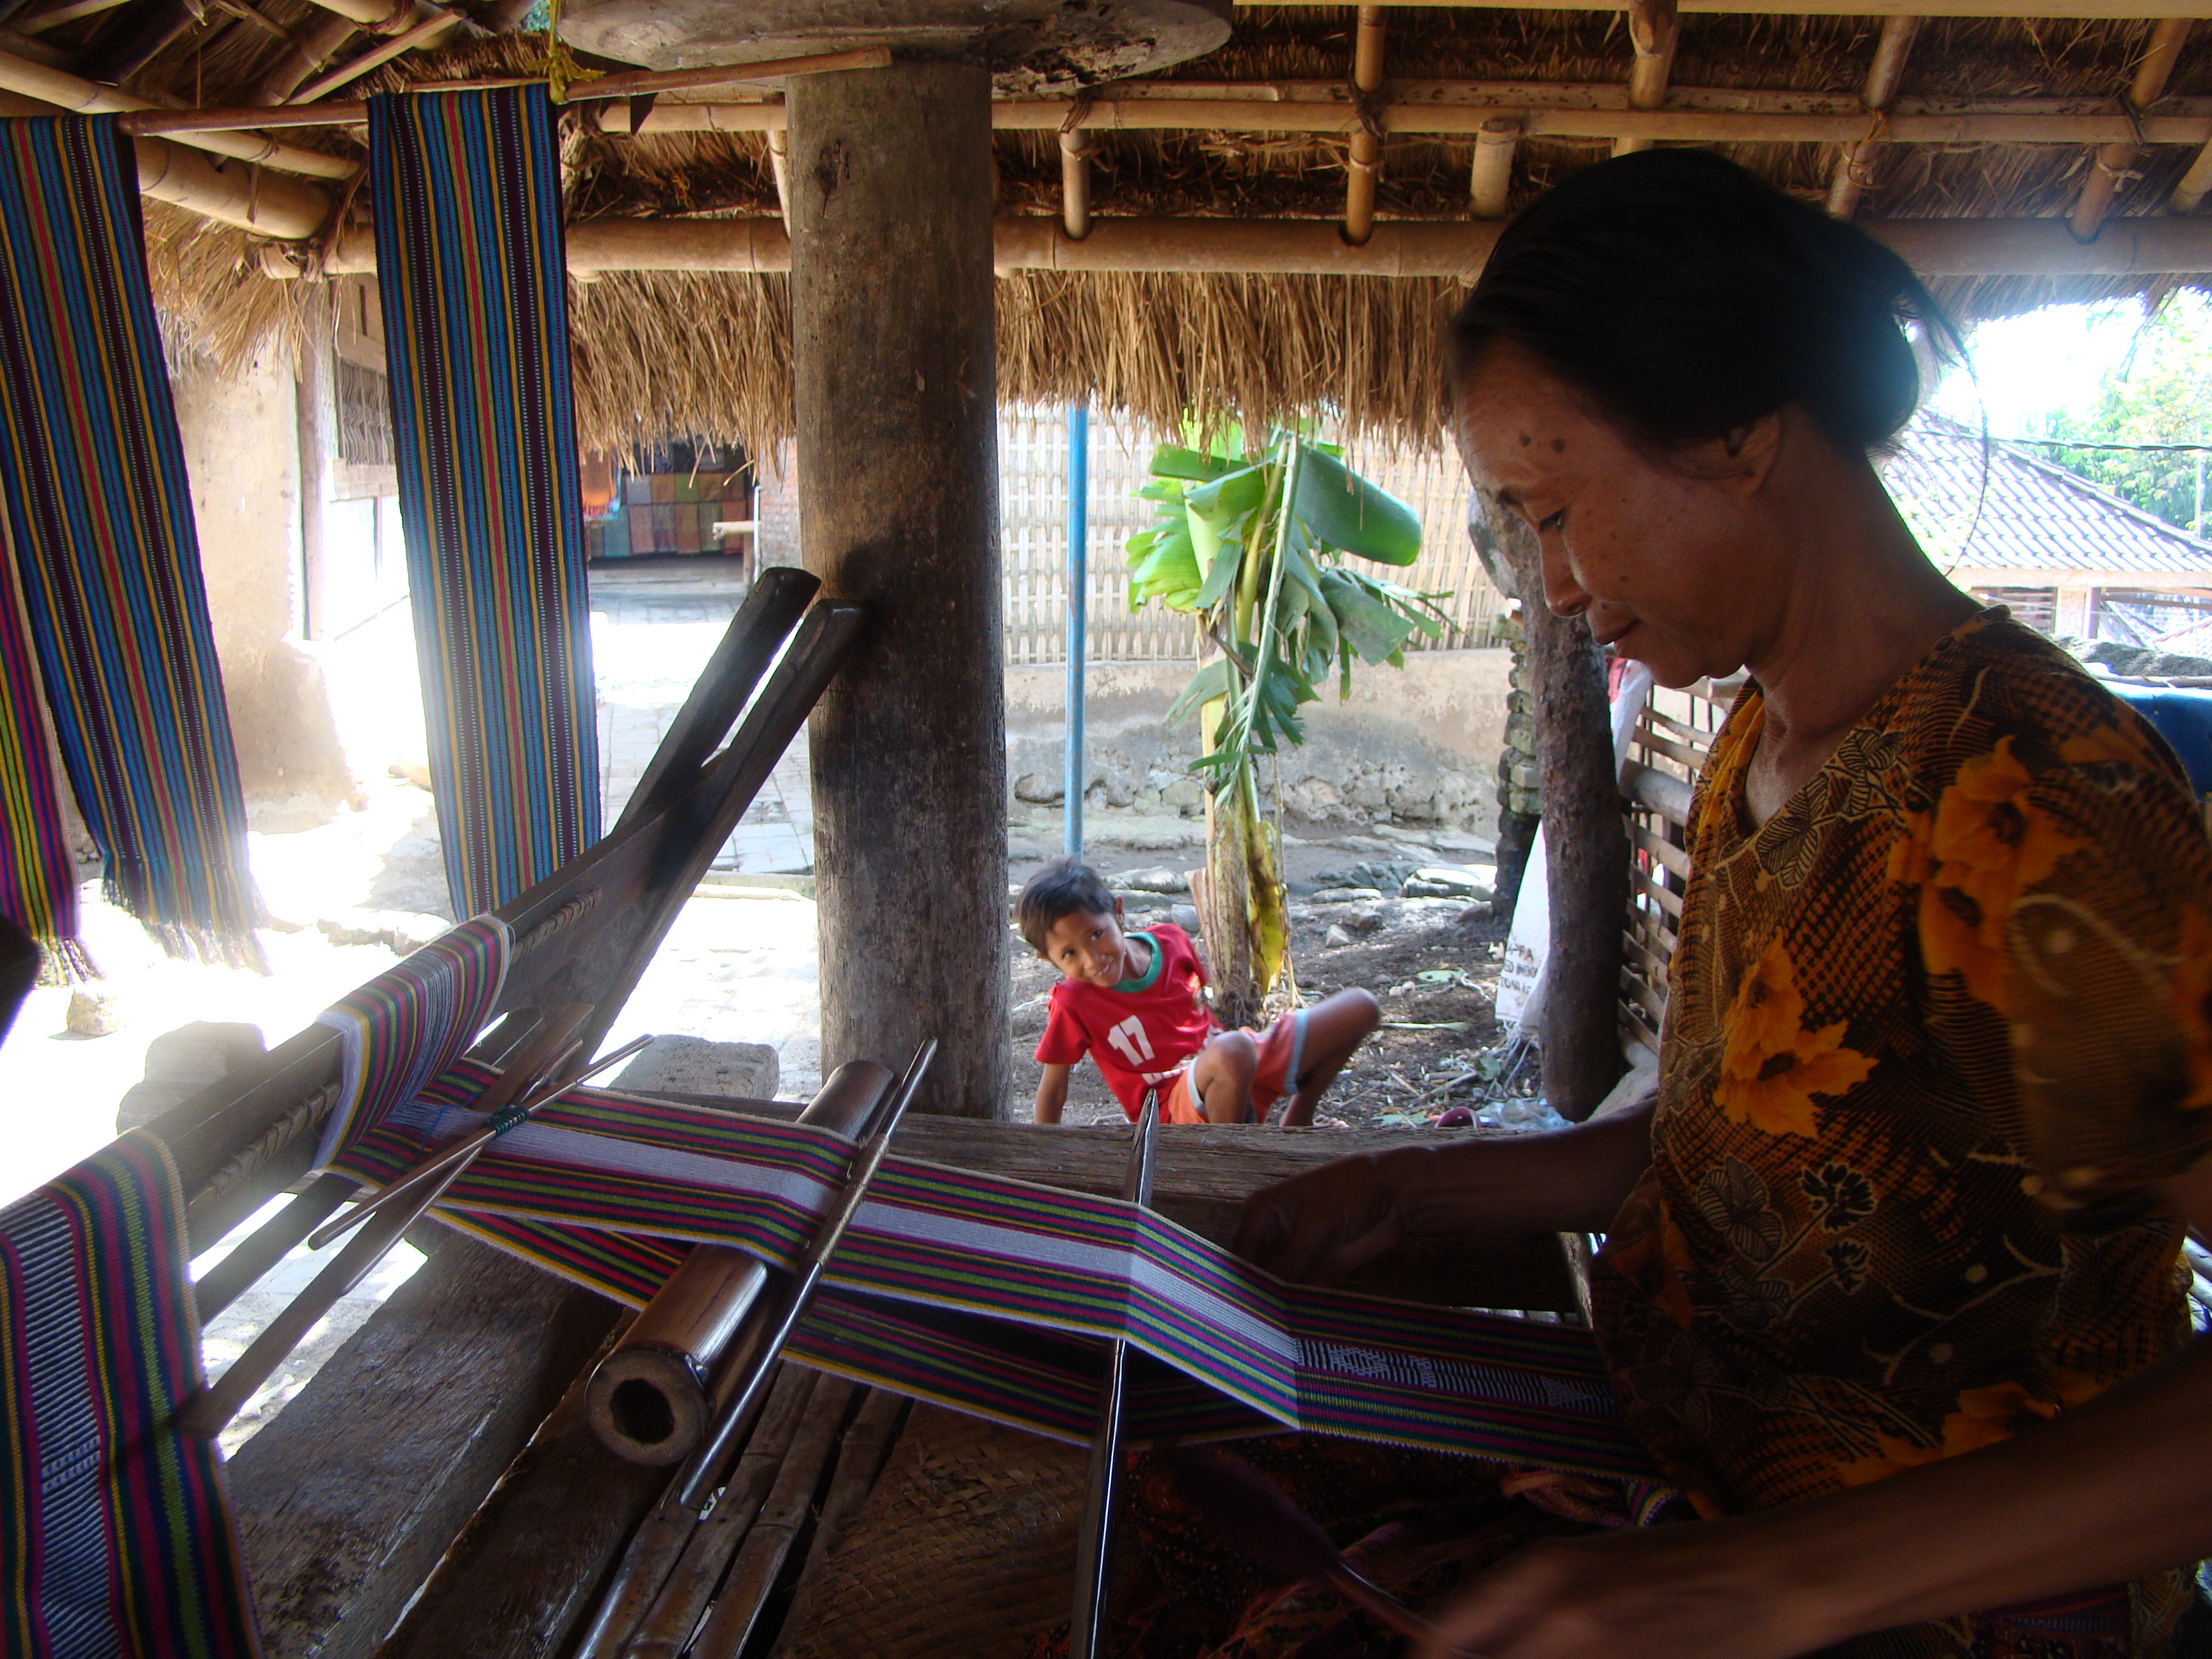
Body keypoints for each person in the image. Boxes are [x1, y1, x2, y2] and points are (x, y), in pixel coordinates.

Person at [1210, 150, 2212, 1659]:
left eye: (1556, 510)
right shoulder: (1764, 740)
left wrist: (1761, 1589)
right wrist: (1407, 1192)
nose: (1552, 584)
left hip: (1947, 1610)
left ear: (1738, 434)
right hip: (1702, 1495)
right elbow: (1726, 1148)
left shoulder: (2031, 798)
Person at [1018, 858, 1380, 1126]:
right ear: (1047, 958)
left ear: (1119, 912)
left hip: (1232, 1065)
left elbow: (1200, 1016)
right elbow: (1053, 1092)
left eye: (1097, 935)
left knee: (1361, 1008)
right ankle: (1229, 1163)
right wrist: (1045, 1164)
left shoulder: (1172, 942)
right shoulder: (1073, 1002)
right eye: (1070, 954)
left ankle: (1298, 1120)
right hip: (1173, 1113)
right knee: (1233, 1050)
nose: (1092, 959)